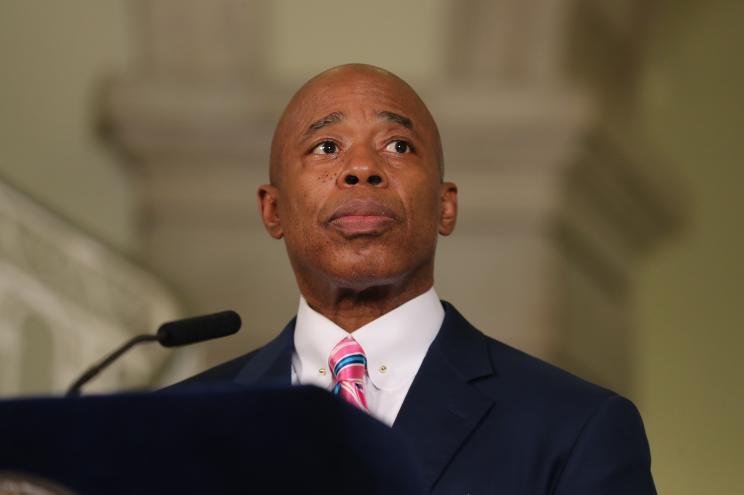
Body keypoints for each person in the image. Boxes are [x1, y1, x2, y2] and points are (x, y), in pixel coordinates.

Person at [176, 64, 656, 494]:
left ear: (445, 206)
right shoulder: (176, 424)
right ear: (273, 209)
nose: (362, 169)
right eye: (326, 147)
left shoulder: (575, 428)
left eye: (398, 146)